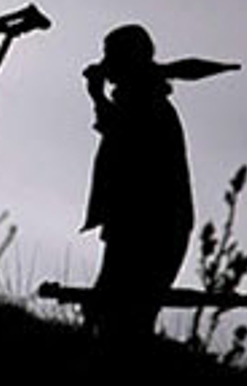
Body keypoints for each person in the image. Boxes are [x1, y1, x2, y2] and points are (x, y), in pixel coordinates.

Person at [81, 24, 194, 342]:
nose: (105, 62)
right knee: (117, 318)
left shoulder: (147, 104)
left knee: (123, 321)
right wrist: (98, 97)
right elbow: (117, 129)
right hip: (139, 222)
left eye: (110, 55)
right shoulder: (141, 101)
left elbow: (123, 135)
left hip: (149, 225)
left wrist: (97, 96)